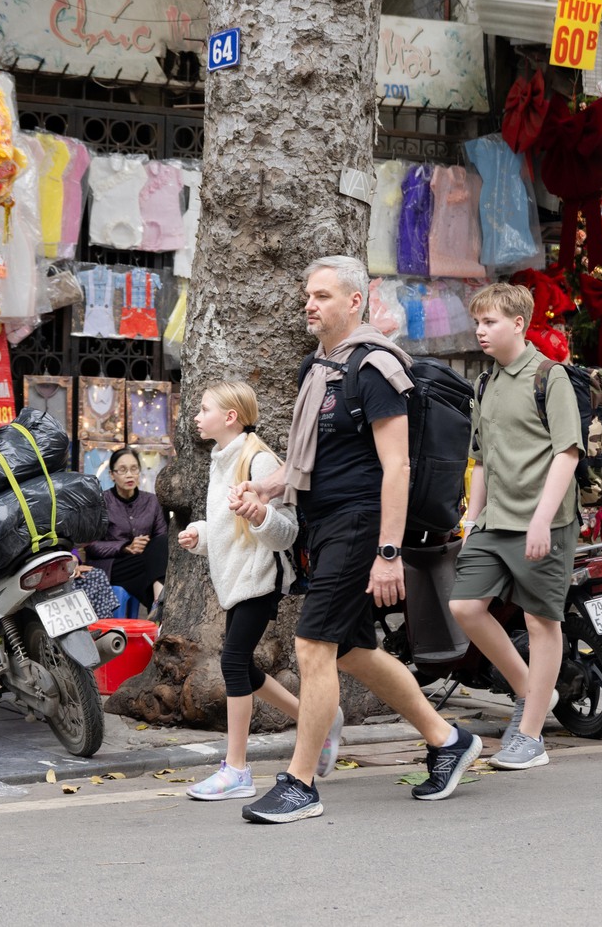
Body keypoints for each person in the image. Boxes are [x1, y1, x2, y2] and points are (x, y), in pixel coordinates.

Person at [237, 256, 482, 824]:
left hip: (360, 523)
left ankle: (300, 783)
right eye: (308, 293)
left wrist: (389, 553)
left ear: (354, 301)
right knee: (352, 650)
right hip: (322, 526)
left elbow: (396, 467)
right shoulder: (317, 372)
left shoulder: (375, 369)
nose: (309, 303)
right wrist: (265, 489)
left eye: (322, 294)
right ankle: (447, 740)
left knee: (312, 647)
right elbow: (310, 463)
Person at [449, 282, 581, 771]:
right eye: (478, 322)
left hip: (545, 520)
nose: (481, 331)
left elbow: (567, 453)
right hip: (494, 520)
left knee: (540, 621)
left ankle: (530, 736)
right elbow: (479, 457)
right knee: (464, 605)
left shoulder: (550, 377)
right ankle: (532, 692)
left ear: (519, 324)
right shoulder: (485, 384)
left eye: (491, 322)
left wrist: (542, 521)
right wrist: (471, 515)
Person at [176, 381, 314, 801]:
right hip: (235, 581)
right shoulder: (222, 458)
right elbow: (224, 524)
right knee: (244, 669)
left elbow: (285, 531)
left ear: (230, 416)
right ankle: (318, 722)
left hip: (258, 578)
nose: (197, 417)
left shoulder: (258, 460)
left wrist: (260, 514)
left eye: (204, 409)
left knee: (234, 663)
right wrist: (198, 534)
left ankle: (236, 768)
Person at [87, 448, 168, 612]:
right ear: (112, 474)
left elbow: (161, 538)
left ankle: (158, 605)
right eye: (122, 470)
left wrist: (147, 546)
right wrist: (126, 546)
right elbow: (92, 545)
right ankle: (160, 604)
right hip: (112, 565)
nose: (129, 475)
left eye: (134, 469)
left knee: (162, 544)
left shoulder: (152, 501)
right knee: (151, 565)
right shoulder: (101, 502)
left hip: (141, 564)